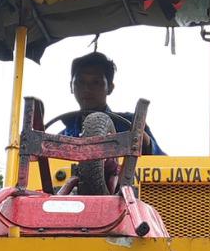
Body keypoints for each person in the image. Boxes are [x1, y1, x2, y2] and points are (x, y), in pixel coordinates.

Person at [52, 51, 163, 191]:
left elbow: (162, 162)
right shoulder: (61, 137)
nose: (87, 88)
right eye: (80, 82)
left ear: (110, 87)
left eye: (96, 82)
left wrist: (145, 143)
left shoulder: (129, 124)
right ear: (71, 86)